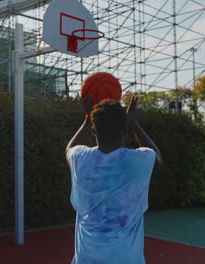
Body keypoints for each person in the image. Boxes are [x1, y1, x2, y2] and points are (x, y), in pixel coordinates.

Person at [66, 95, 162, 264]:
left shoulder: (80, 158)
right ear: (125, 130)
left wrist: (88, 120)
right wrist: (134, 123)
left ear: (93, 130)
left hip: (87, 259)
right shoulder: (138, 161)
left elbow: (69, 149)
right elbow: (157, 156)